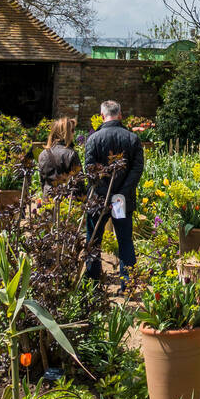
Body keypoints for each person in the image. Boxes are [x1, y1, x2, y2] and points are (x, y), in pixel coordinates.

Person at [84, 100, 144, 288]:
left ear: (102, 116)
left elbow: (90, 171)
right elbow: (137, 169)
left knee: (94, 240)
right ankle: (128, 284)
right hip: (121, 200)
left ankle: (93, 283)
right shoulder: (132, 138)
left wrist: (104, 194)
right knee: (124, 240)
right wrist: (120, 194)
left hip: (98, 199)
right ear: (120, 114)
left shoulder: (93, 139)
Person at [37, 117, 84, 198]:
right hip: (66, 200)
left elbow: (42, 181)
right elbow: (79, 182)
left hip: (48, 198)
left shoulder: (43, 154)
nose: (74, 133)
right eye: (72, 130)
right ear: (66, 133)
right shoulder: (71, 154)